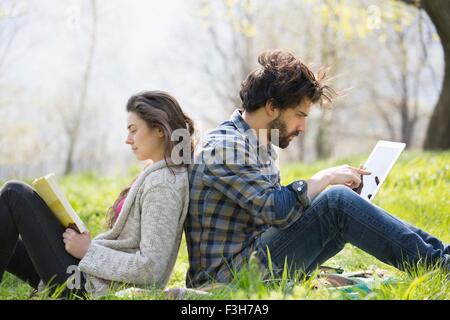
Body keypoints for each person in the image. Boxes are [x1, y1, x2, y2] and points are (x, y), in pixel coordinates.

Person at [185, 49, 449, 288]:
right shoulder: (225, 147)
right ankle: (438, 265)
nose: (302, 128)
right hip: (230, 276)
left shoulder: (258, 144)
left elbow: (277, 216)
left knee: (335, 203)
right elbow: (276, 210)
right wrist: (326, 178)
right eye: (299, 115)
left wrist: (328, 198)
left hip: (252, 259)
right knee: (336, 203)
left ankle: (441, 257)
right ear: (271, 107)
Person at [0, 90, 195, 298]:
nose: (128, 140)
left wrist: (88, 251)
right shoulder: (156, 174)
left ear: (159, 130)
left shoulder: (163, 184)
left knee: (15, 194)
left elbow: (151, 268)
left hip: (88, 287)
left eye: (133, 130)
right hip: (86, 274)